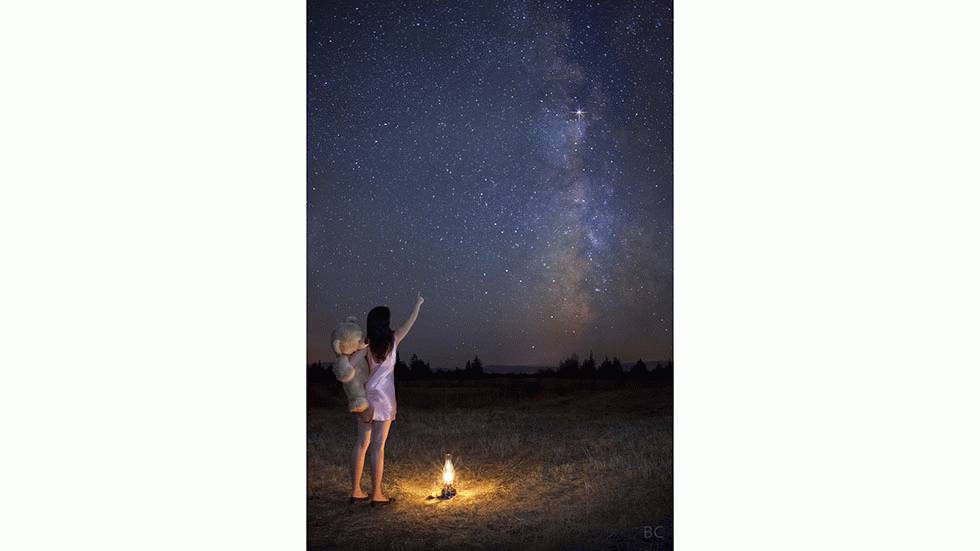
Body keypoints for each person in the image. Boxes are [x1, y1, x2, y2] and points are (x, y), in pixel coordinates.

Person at [343, 293, 424, 507]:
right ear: (386, 322)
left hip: (367, 396)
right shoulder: (394, 339)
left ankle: (356, 491)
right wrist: (418, 304)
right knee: (378, 447)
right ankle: (377, 494)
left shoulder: (367, 344)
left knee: (362, 443)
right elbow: (410, 322)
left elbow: (348, 366)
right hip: (385, 399)